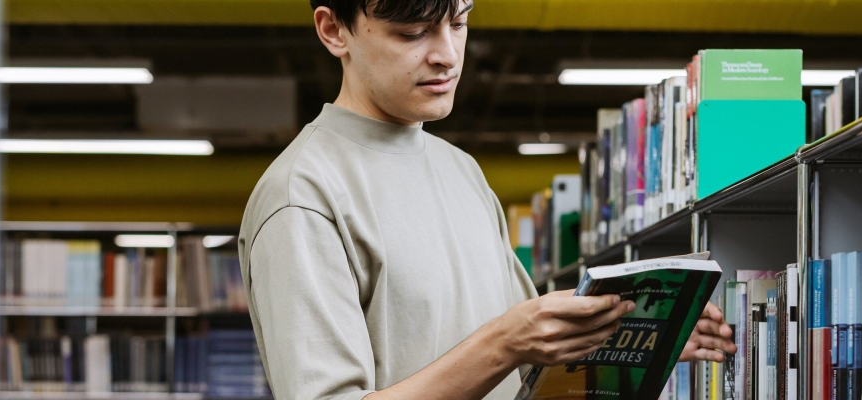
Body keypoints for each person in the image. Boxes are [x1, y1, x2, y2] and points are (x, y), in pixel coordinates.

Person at [236, 0, 738, 398]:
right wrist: (504, 342)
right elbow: (505, 342)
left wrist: (629, 336)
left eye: (459, 21)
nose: (447, 54)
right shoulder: (301, 194)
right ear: (333, 30)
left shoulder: (462, 171)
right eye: (412, 33)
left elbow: (526, 362)